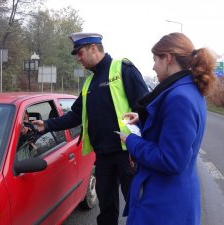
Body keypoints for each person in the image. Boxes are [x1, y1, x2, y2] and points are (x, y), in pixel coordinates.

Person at [32, 32, 148, 225]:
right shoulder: (89, 83)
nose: (78, 58)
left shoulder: (122, 69)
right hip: (102, 156)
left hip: (127, 154)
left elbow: (144, 108)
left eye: (80, 52)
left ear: (94, 49)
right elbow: (76, 115)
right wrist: (47, 125)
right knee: (106, 208)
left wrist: (140, 147)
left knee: (137, 206)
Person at [119, 32, 216, 225]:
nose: (153, 66)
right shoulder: (189, 89)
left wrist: (130, 141)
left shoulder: (179, 97)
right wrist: (143, 119)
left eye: (155, 59)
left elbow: (171, 160)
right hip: (173, 199)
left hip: (164, 206)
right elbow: (172, 127)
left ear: (168, 58)